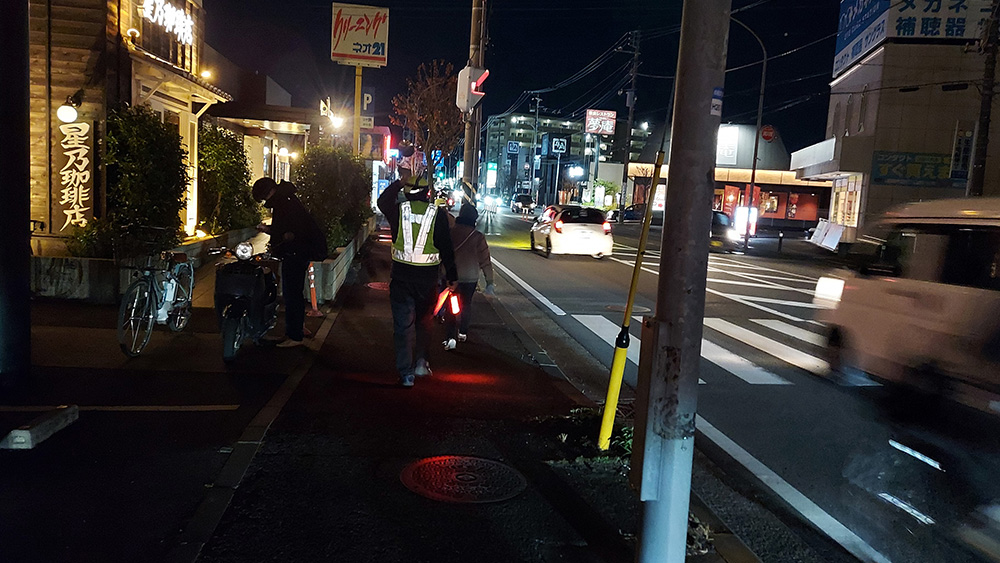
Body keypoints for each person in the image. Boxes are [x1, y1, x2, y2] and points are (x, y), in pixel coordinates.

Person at [377, 174, 457, 387]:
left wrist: (398, 183)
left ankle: (406, 374)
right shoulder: (437, 215)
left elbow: (381, 201)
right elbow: (447, 248)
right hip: (427, 279)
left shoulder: (398, 211)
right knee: (424, 322)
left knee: (403, 327)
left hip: (402, 278)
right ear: (426, 193)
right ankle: (421, 362)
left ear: (406, 192)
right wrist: (452, 276)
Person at [251, 178, 327, 348]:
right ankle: (298, 328)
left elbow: (287, 231)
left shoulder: (284, 203)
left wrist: (267, 230)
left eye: (264, 197)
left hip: (296, 252)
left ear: (269, 192)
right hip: (301, 250)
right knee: (295, 293)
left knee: (292, 294)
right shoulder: (288, 199)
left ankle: (295, 335)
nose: (266, 201)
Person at [443, 203, 495, 351]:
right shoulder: (478, 237)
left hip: (452, 276)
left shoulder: (450, 232)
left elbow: (443, 253)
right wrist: (489, 283)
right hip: (470, 278)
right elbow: (485, 261)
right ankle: (463, 332)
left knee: (450, 305)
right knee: (466, 304)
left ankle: (450, 337)